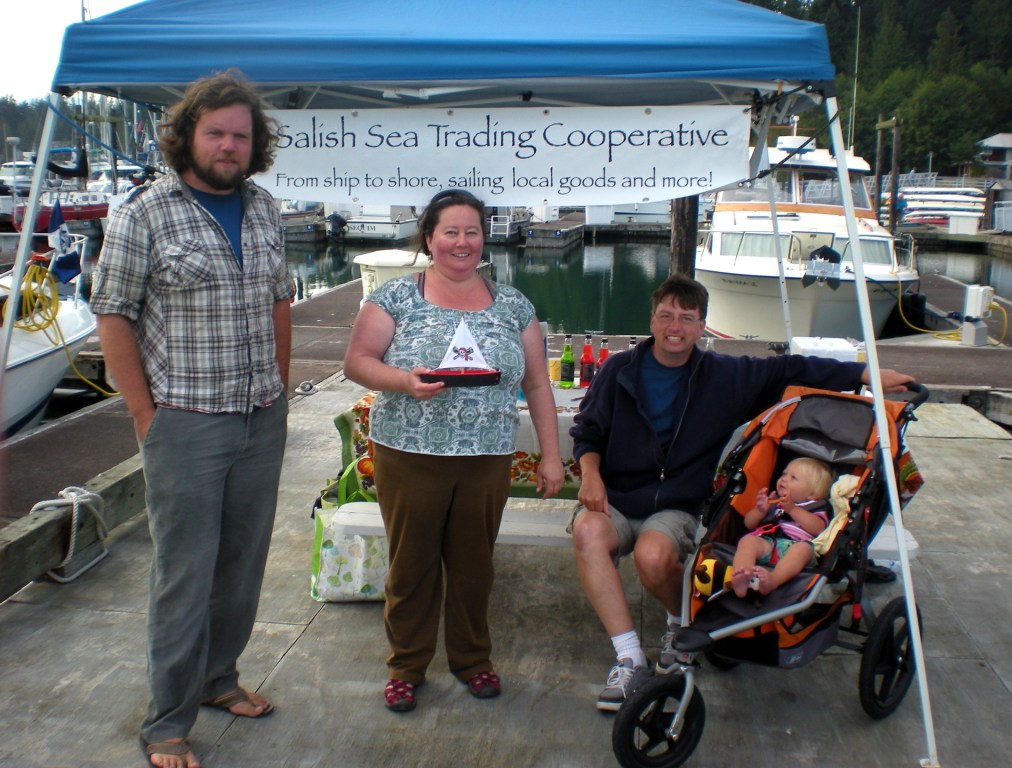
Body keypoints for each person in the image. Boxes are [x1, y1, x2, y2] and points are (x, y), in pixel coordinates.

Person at [569, 273, 914, 712]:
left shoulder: (725, 375)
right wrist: (591, 473)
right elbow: (588, 431)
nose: (675, 326)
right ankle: (629, 657)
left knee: (653, 558)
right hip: (616, 494)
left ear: (702, 326)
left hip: (677, 503)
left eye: (687, 318)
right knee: (587, 535)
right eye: (666, 315)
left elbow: (794, 369)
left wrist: (868, 373)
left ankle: (681, 623)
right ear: (652, 320)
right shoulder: (619, 368)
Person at [90, 70, 294, 768]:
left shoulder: (265, 208)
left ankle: (219, 680)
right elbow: (112, 314)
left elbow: (278, 303)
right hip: (185, 423)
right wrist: (145, 414)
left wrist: (282, 389)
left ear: (255, 143)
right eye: (217, 132)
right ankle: (167, 723)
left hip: (260, 416)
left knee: (241, 567)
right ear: (188, 136)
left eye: (242, 134)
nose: (230, 145)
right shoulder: (142, 213)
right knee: (185, 574)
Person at [343, 189, 564, 713]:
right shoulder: (395, 297)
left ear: (483, 239)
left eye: (471, 232)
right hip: (409, 452)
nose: (461, 242)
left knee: (473, 565)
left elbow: (536, 385)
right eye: (450, 232)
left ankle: (472, 659)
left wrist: (551, 455)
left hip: (487, 457)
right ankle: (406, 666)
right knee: (412, 564)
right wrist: (403, 380)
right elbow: (357, 361)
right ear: (429, 238)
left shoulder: (513, 304)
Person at [731, 457, 833, 599]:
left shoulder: (815, 507)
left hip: (795, 547)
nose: (784, 479)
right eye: (784, 474)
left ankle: (774, 580)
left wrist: (792, 510)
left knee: (803, 550)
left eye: (793, 478)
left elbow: (818, 528)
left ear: (812, 493)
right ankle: (742, 574)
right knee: (747, 541)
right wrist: (760, 511)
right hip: (769, 543)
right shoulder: (774, 503)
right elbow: (748, 524)